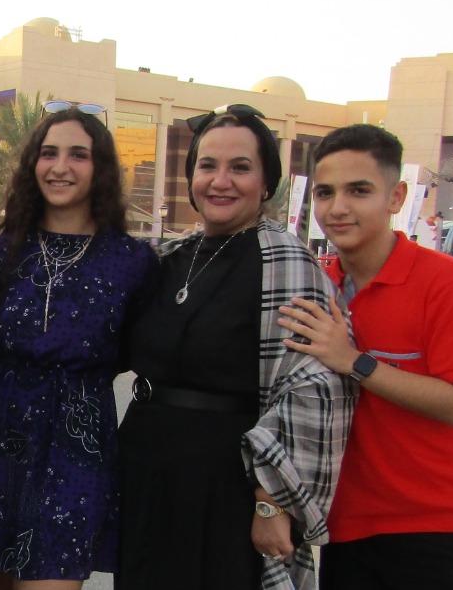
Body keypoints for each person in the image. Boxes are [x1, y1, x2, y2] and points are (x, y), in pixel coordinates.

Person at [118, 104, 356, 590]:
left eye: (240, 168)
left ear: (266, 183)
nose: (220, 181)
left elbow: (312, 389)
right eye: (208, 166)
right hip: (147, 470)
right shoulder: (169, 259)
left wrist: (271, 501)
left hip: (229, 484)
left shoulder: (288, 267)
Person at [277, 124, 453, 590]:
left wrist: (355, 361)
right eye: (325, 192)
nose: (338, 208)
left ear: (396, 197)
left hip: (440, 528)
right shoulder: (317, 287)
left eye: (359, 191)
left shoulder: (447, 283)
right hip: (347, 527)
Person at [0, 105, 157, 589]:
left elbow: (137, 348)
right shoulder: (3, 249)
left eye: (78, 154)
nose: (60, 167)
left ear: (100, 168)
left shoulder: (132, 261)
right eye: (49, 153)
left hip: (76, 453)